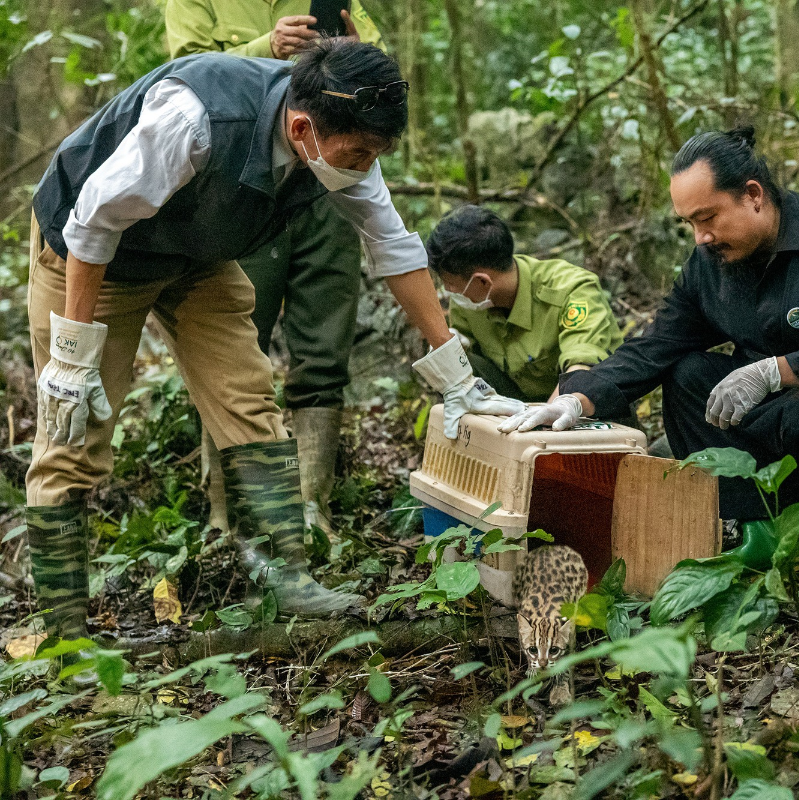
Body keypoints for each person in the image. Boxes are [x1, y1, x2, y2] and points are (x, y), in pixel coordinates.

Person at [25, 40, 521, 645]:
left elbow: (392, 246)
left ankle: (288, 579)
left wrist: (457, 379)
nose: (367, 165)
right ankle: (65, 635)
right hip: (93, 259)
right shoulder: (195, 118)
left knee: (249, 400)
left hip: (196, 260)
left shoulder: (342, 138)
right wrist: (72, 355)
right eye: (361, 152)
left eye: (377, 153)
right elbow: (93, 221)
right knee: (72, 432)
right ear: (303, 126)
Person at [501, 126, 799, 528]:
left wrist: (775, 371)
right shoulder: (711, 263)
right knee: (686, 378)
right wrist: (577, 399)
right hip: (788, 406)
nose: (700, 237)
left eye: (708, 217)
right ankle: (750, 518)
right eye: (689, 223)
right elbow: (657, 345)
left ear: (753, 195)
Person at [164, 0, 386, 537]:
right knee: (231, 351)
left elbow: (379, 73)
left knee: (324, 350)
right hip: (244, 182)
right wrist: (268, 46)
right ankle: (223, 511)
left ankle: (313, 508)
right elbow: (181, 75)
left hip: (327, 185)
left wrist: (351, 55)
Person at [425, 205, 624, 403]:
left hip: (588, 405)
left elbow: (582, 366)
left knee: (587, 385)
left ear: (483, 281)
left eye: (451, 285)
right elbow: (469, 361)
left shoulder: (571, 289)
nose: (449, 292)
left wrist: (552, 419)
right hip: (518, 401)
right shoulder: (469, 300)